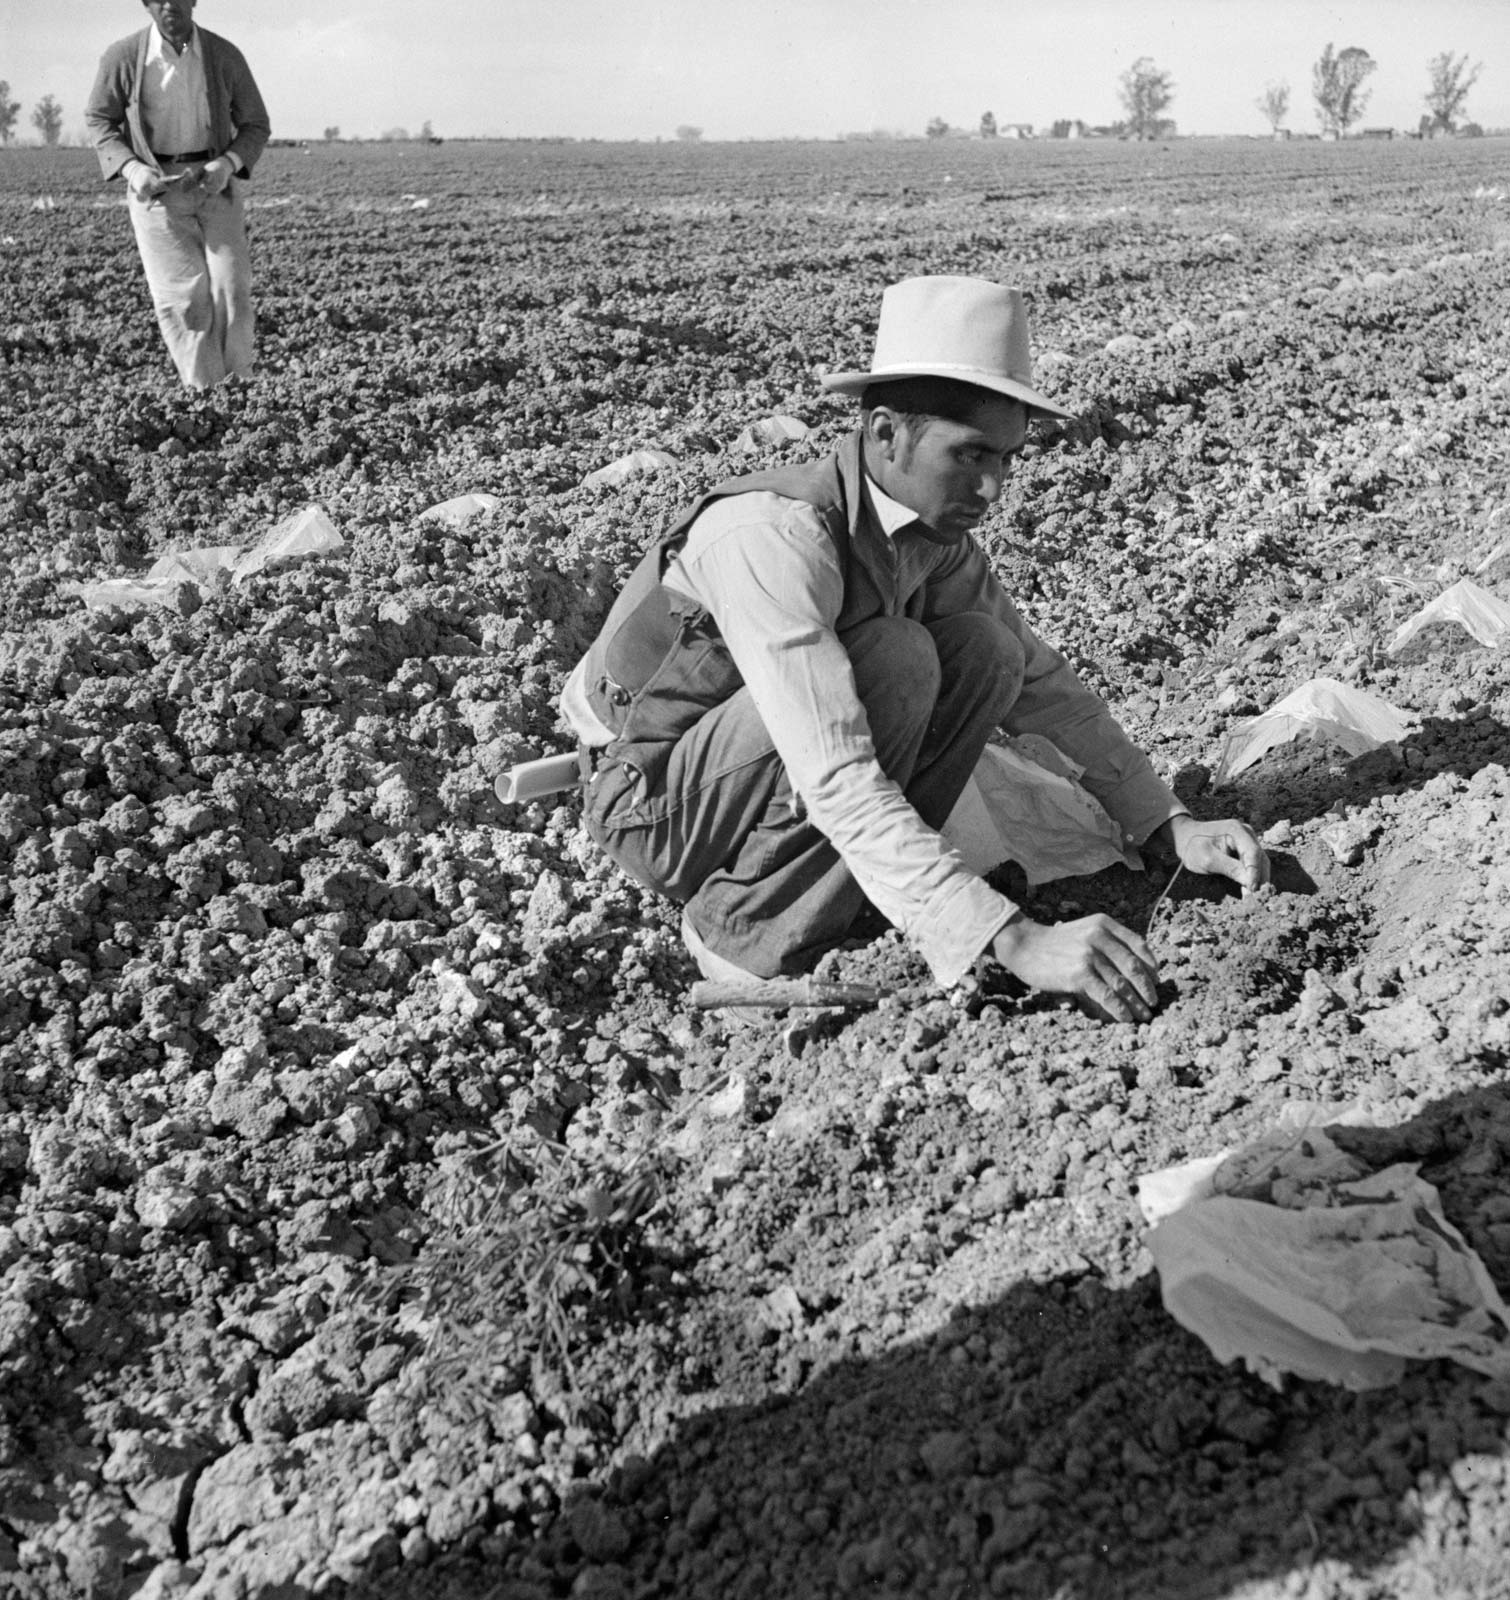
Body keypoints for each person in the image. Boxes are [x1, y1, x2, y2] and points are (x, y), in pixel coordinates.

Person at [561, 275, 1269, 1024]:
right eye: (969, 456)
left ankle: (847, 896)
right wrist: (1006, 936)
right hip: (646, 798)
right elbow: (833, 770)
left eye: (1006, 459)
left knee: (985, 650)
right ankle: (743, 937)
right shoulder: (774, 536)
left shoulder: (932, 539)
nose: (994, 487)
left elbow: (1042, 684)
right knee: (895, 659)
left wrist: (1166, 824)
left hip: (743, 771)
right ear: (885, 434)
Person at [85, 0, 270, 390]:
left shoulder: (223, 54)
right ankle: (208, 397)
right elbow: (100, 118)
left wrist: (228, 164)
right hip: (156, 191)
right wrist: (133, 169)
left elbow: (255, 123)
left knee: (231, 290)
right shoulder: (123, 57)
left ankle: (240, 392)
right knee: (184, 301)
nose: (171, 3)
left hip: (214, 182)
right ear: (147, 4)